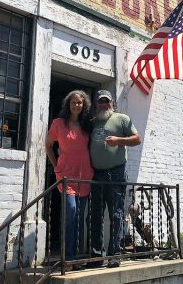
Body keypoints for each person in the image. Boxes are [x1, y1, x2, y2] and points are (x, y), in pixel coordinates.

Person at [88, 90, 141, 268]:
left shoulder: (122, 118)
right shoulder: (92, 123)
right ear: (96, 105)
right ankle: (96, 256)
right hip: (96, 174)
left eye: (106, 101)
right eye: (100, 102)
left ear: (112, 103)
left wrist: (118, 140)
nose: (103, 104)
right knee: (95, 214)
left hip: (116, 172)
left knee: (116, 214)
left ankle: (114, 255)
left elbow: (137, 139)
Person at [45, 90, 94, 270]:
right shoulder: (58, 124)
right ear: (68, 104)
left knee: (79, 218)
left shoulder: (87, 125)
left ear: (84, 105)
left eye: (80, 103)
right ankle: (67, 259)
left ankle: (74, 259)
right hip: (66, 176)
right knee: (71, 213)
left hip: (85, 176)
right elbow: (48, 145)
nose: (76, 105)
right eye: (73, 102)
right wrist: (56, 165)